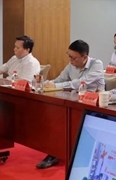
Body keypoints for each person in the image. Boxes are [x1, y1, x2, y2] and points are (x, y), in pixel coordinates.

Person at [39, 40, 105, 169]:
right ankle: (54, 152)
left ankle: (77, 156)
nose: (70, 60)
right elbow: (60, 79)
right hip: (73, 101)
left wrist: (56, 86)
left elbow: (80, 82)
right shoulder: (71, 64)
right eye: (68, 56)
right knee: (55, 117)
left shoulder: (96, 64)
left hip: (92, 106)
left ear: (84, 57)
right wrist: (48, 83)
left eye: (73, 57)